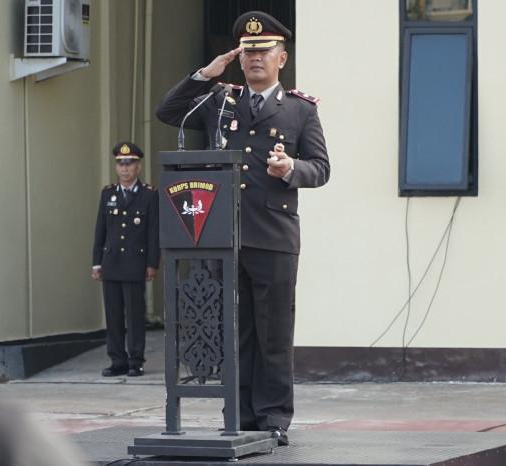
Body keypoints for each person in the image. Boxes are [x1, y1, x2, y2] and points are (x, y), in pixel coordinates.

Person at [155, 11, 330, 445]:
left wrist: (291, 168)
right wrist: (205, 75)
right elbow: (169, 112)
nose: (255, 58)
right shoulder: (220, 101)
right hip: (224, 235)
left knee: (273, 335)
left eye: (264, 51)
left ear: (281, 58)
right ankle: (240, 414)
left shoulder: (299, 110)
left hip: (273, 237)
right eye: (248, 51)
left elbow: (321, 168)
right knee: (235, 332)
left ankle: (272, 418)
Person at [91, 142, 160, 378]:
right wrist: (96, 262)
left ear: (138, 167)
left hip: (134, 263)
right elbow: (100, 230)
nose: (124, 168)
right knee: (113, 316)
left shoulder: (149, 194)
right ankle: (117, 360)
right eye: (121, 164)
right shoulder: (107, 193)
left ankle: (135, 361)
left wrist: (152, 263)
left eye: (129, 163)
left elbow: (153, 232)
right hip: (111, 262)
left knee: (135, 315)